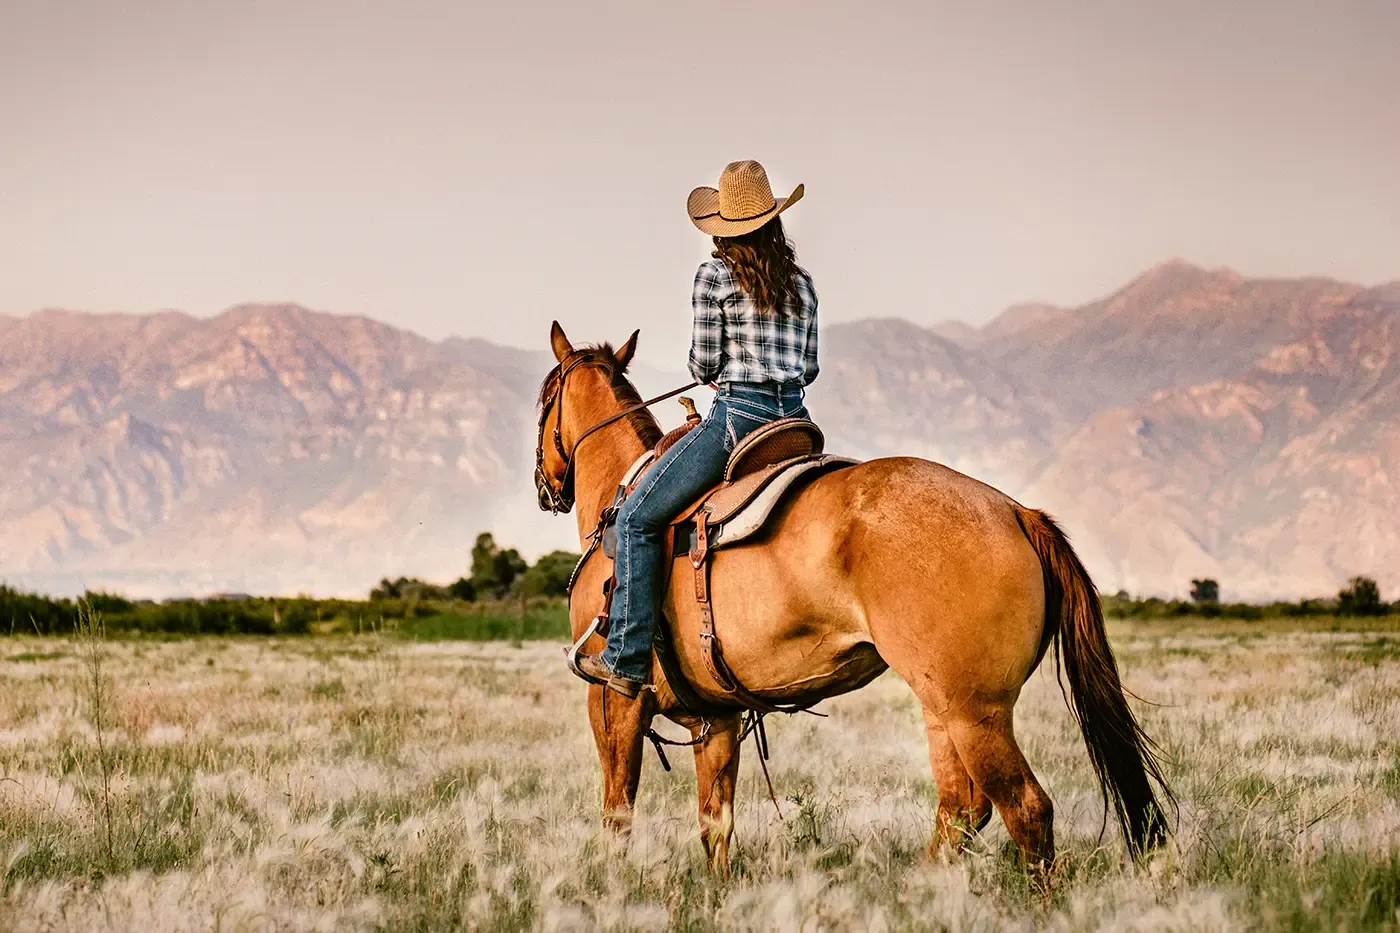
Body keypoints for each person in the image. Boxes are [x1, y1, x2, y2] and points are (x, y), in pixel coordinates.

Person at [574, 160, 819, 698]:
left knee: (638, 516)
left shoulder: (714, 278)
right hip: (796, 424)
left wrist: (726, 368)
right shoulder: (802, 285)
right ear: (775, 222)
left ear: (724, 229)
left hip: (738, 421)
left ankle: (626, 657)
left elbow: (704, 366)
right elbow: (809, 369)